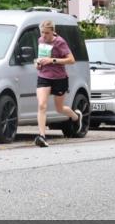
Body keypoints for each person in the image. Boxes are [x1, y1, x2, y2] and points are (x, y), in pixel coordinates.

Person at [34, 19, 82, 147]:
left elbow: (71, 60)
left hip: (59, 78)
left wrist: (52, 60)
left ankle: (76, 117)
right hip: (43, 76)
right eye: (42, 32)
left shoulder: (60, 42)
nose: (44, 36)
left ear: (53, 32)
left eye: (47, 33)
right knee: (42, 105)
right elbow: (40, 58)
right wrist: (38, 63)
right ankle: (42, 136)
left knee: (59, 108)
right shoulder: (40, 40)